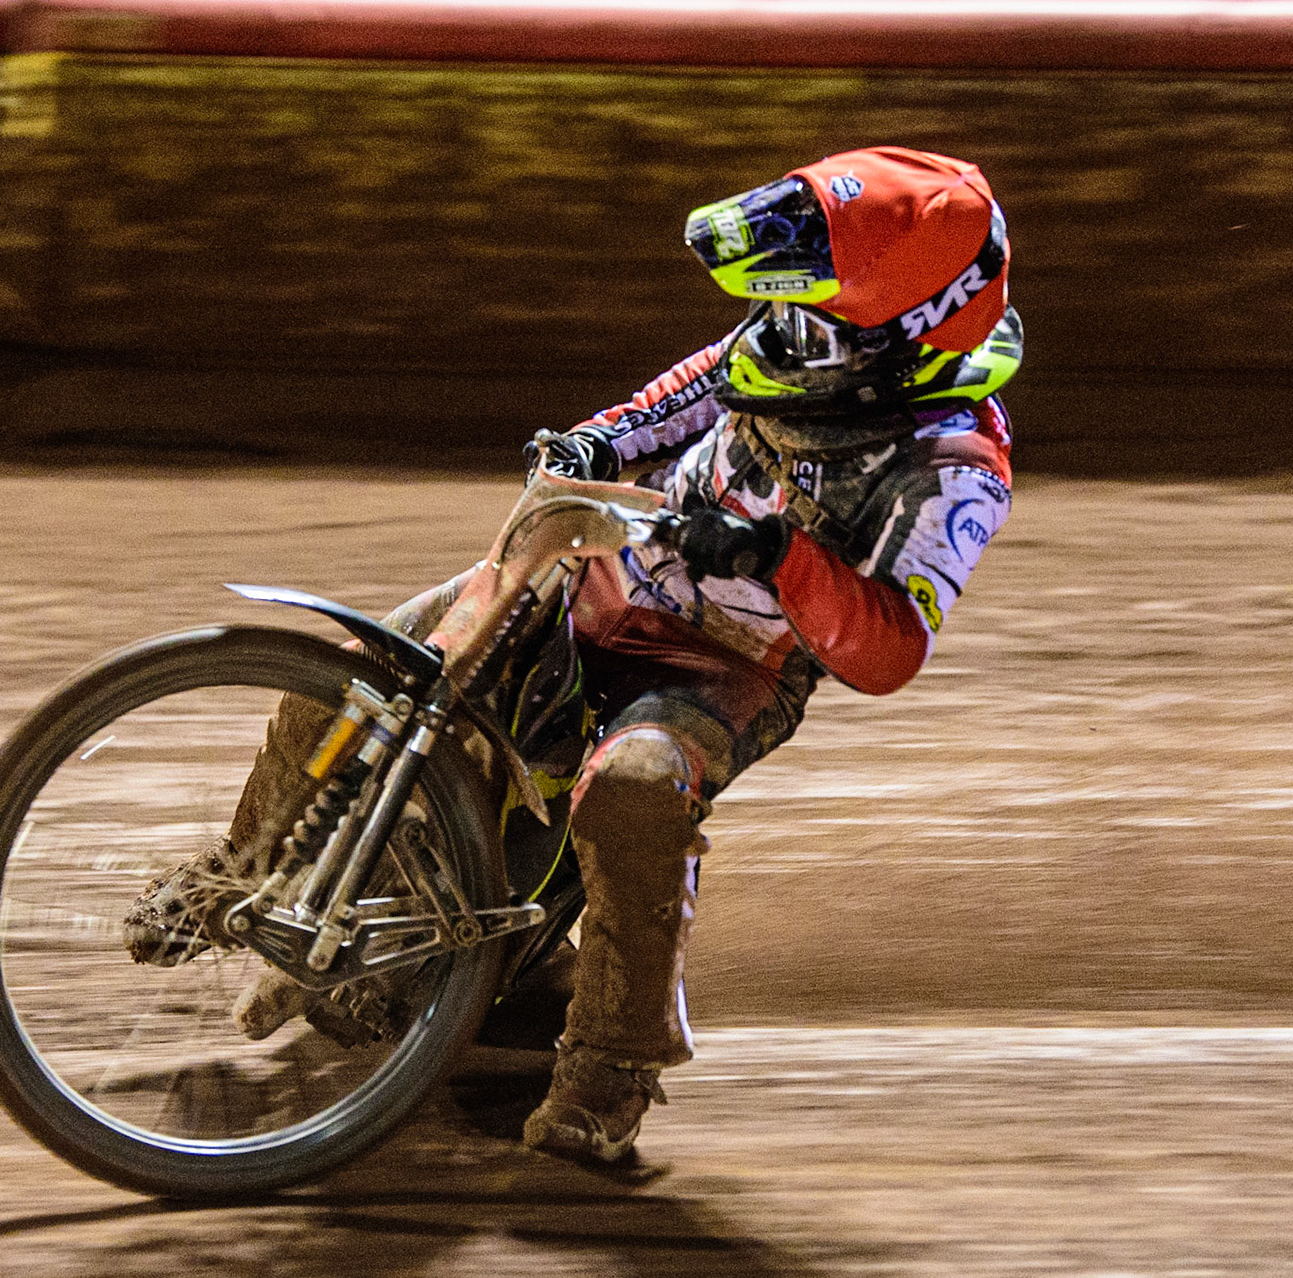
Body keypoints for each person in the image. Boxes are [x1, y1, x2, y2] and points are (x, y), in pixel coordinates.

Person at [129, 145, 1020, 1167]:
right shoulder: (800, 342)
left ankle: (612, 1064)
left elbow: (891, 648)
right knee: (359, 675)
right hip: (596, 570)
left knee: (633, 791)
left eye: (815, 322)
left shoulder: (957, 466)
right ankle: (239, 870)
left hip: (721, 663)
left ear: (901, 339)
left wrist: (779, 557)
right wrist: (600, 440)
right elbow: (706, 381)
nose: (782, 334)